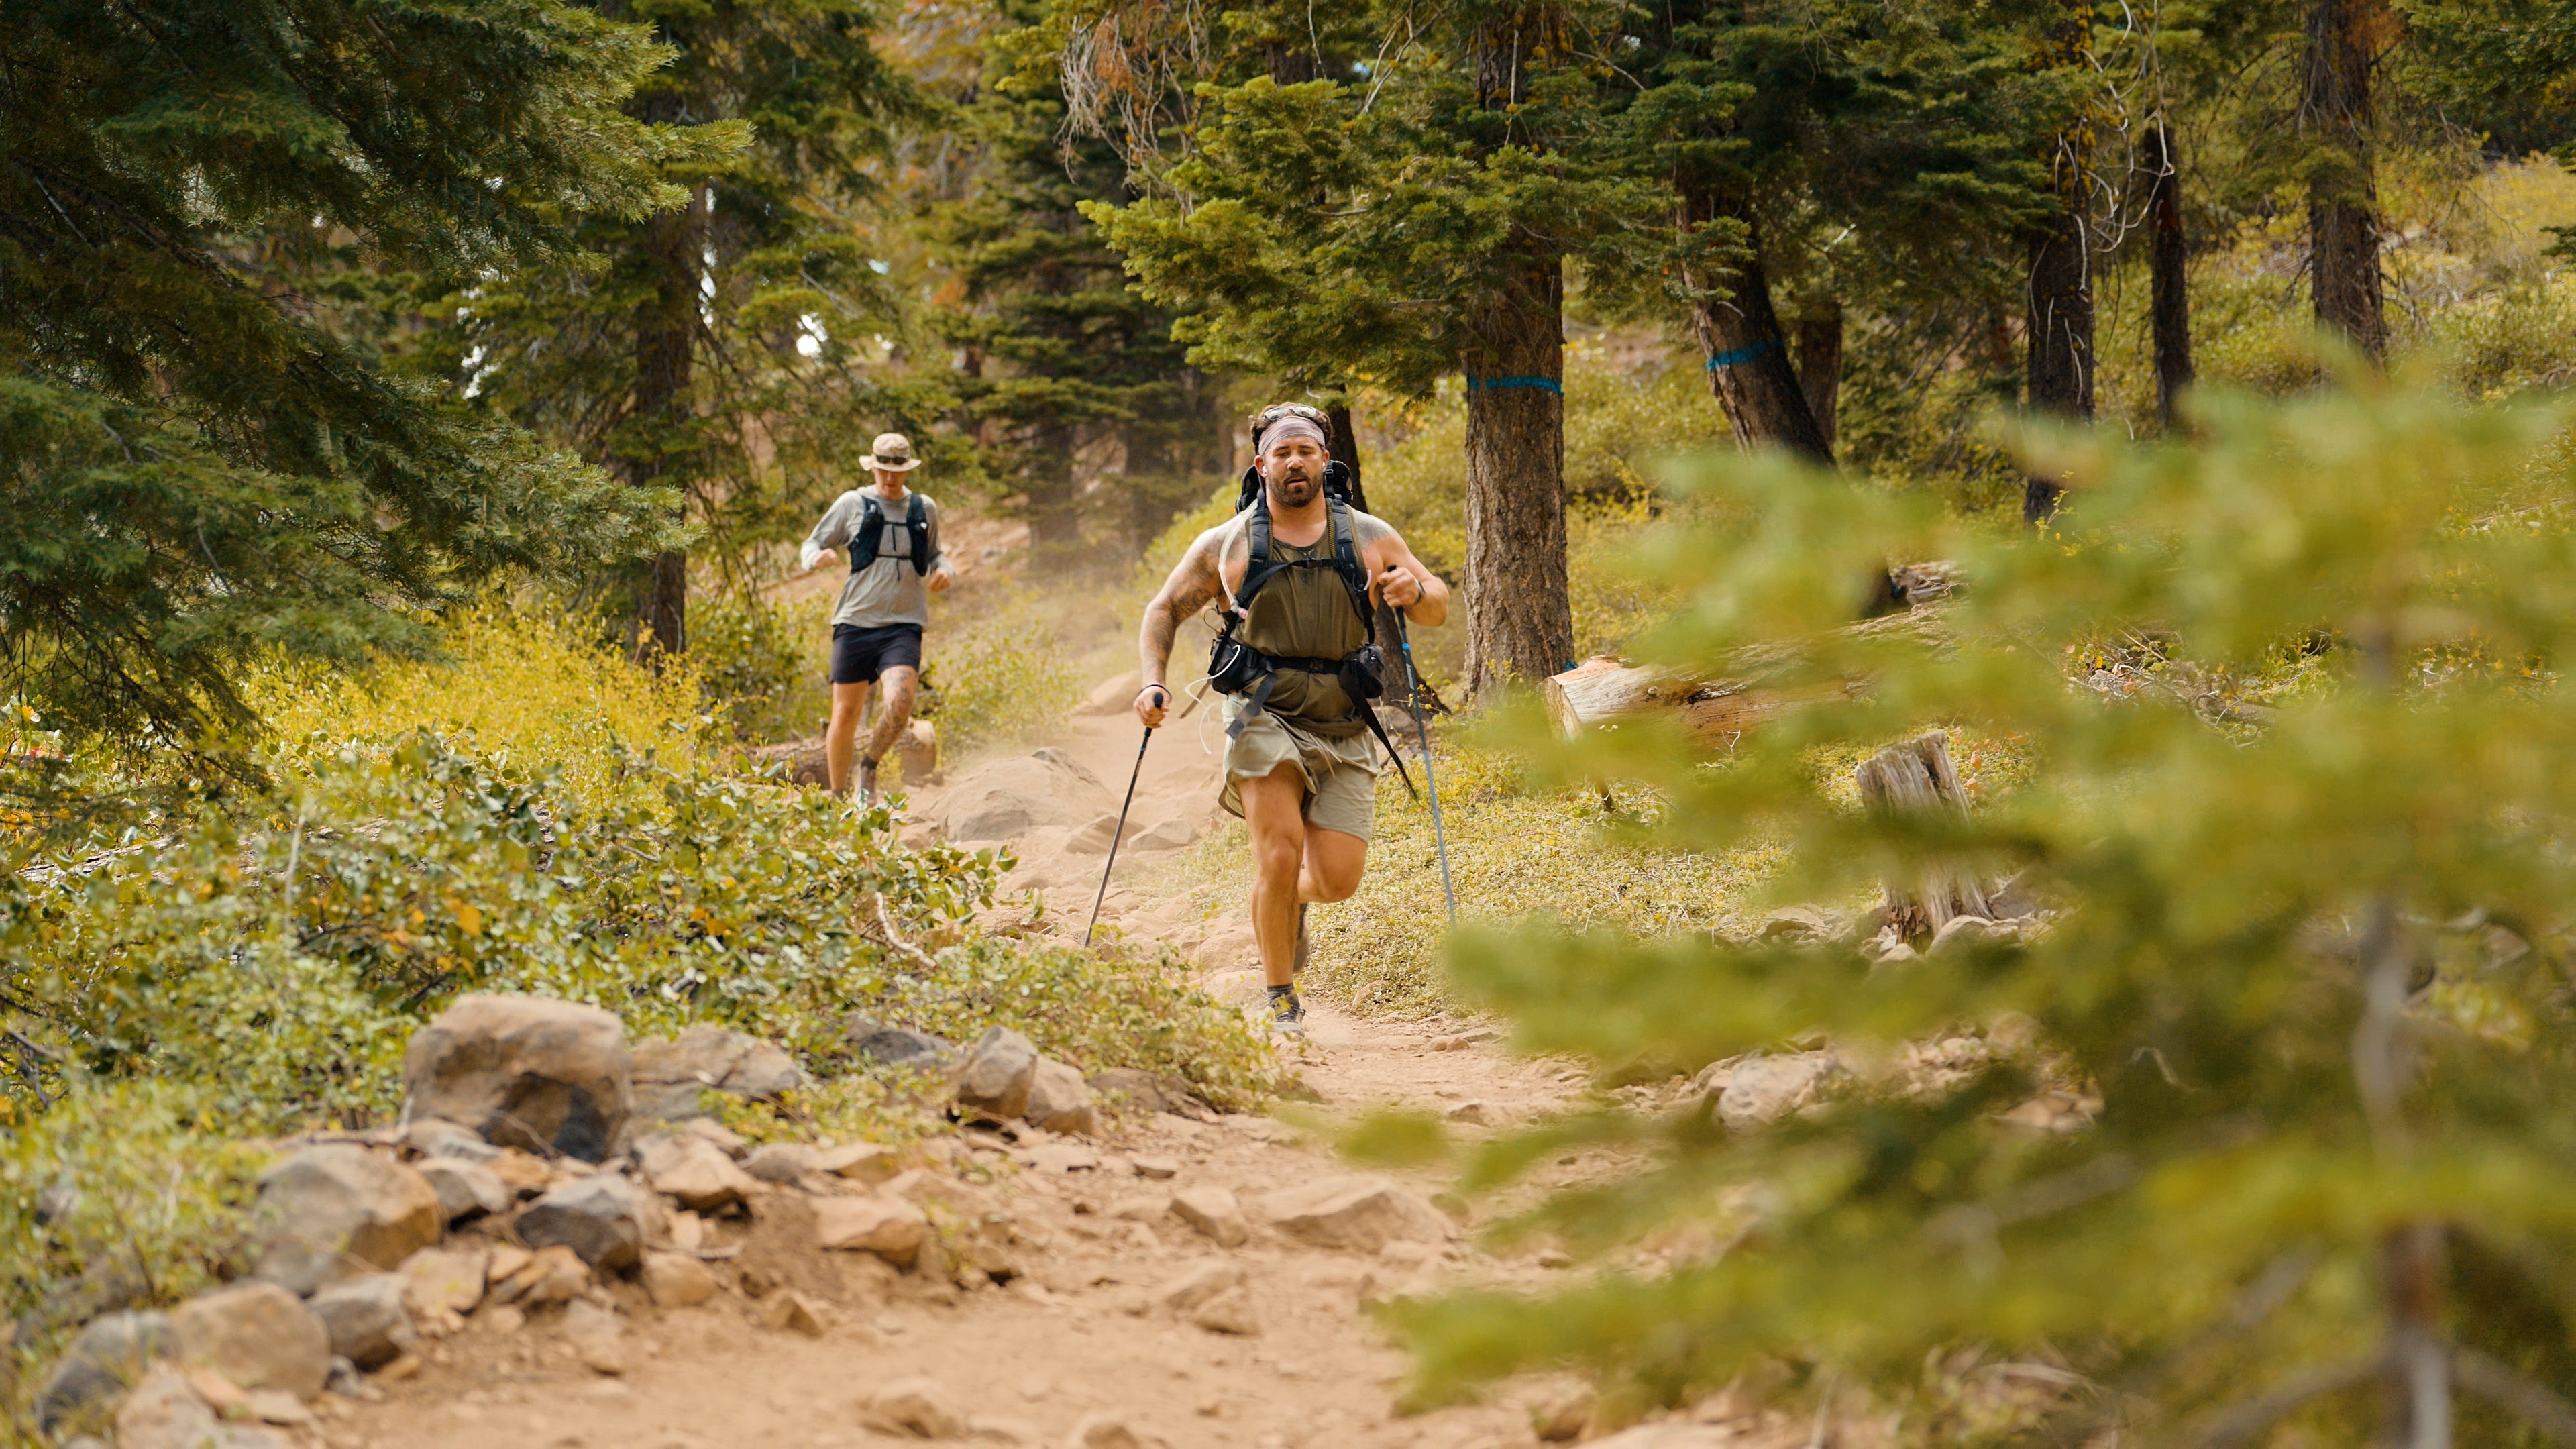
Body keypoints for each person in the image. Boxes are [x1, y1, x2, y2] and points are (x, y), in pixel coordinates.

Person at [1134, 405, 1450, 1036]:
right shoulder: (1226, 544)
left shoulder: (1368, 535)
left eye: (1306, 451)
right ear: (1262, 465)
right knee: (1278, 857)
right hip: (1261, 707)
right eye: (1282, 453)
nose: (1295, 462)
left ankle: (1287, 907)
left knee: (1335, 881)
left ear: (1325, 463)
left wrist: (1416, 594)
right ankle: (1282, 999)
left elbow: (1436, 603)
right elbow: (1164, 608)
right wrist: (1152, 681)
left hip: (1344, 715)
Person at [800, 433, 956, 804]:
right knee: (846, 713)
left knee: (900, 703)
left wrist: (945, 571)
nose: (890, 479)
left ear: (907, 470)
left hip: (904, 624)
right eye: (883, 470)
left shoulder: (923, 508)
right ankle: (838, 797)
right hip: (855, 622)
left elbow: (936, 554)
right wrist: (815, 559)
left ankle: (869, 769)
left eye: (897, 472)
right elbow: (811, 544)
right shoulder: (851, 504)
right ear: (872, 466)